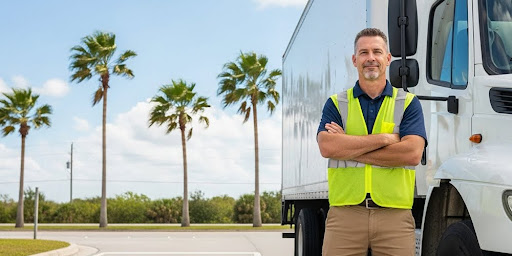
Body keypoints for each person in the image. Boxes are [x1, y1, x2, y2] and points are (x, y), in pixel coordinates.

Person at [317, 28, 427, 256]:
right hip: (345, 216)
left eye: (377, 51)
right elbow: (328, 147)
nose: (371, 58)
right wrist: (384, 139)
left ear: (387, 59)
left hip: (394, 217)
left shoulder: (408, 103)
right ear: (355, 60)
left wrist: (347, 147)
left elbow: (412, 154)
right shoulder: (336, 104)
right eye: (364, 52)